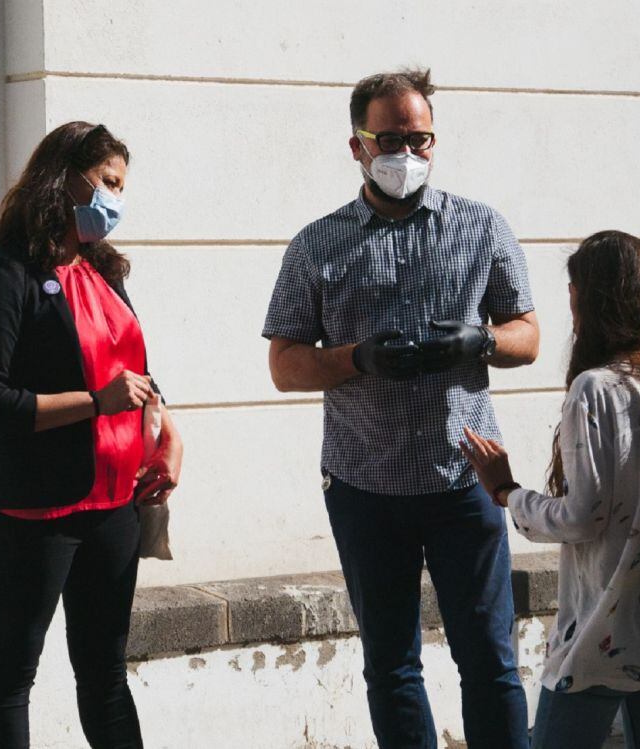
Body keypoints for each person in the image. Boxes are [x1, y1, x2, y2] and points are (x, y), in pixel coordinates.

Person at [263, 67, 538, 748]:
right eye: (389, 140)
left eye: (420, 140)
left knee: (492, 661)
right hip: (366, 484)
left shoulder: (481, 227)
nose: (406, 156)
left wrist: (483, 340)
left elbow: (528, 335)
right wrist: (356, 357)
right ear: (356, 145)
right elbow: (284, 363)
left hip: (464, 480)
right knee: (390, 665)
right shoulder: (318, 244)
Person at [0, 121, 183, 749]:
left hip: (116, 501)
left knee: (106, 673)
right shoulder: (4, 276)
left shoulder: (104, 270)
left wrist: (170, 434)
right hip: (37, 506)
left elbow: (135, 375)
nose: (115, 198)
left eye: (120, 184)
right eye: (108, 182)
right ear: (66, 178)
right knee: (12, 670)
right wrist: (94, 403)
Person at [461, 230, 640, 749]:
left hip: (599, 634)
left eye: (575, 294)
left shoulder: (596, 390)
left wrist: (507, 491)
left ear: (599, 302)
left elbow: (582, 517)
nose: (572, 309)